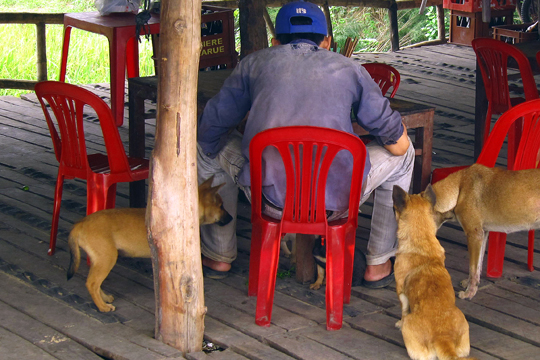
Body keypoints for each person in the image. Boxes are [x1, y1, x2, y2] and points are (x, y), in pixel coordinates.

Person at [197, 0, 414, 287]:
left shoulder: (252, 64)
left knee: (206, 147)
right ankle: (378, 262)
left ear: (275, 42)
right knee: (405, 155)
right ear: (327, 41)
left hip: (270, 198)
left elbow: (211, 127)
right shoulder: (350, 68)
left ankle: (219, 255)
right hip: (337, 201)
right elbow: (396, 144)